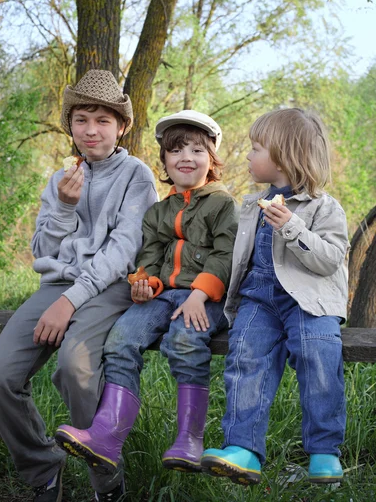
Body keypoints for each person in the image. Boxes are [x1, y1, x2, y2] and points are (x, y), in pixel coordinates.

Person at [0, 70, 158, 502]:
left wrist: (68, 302)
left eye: (102, 120)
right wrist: (63, 207)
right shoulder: (59, 177)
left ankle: (108, 483)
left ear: (122, 126)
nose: (91, 130)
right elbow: (42, 247)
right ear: (70, 125)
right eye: (81, 119)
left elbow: (123, 251)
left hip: (110, 288)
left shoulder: (137, 175)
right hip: (56, 285)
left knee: (75, 369)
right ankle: (44, 470)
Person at [54, 109, 240, 478]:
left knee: (185, 340)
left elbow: (226, 255)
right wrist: (145, 285)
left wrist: (200, 294)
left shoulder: (223, 205)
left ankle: (189, 439)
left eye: (197, 151)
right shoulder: (158, 211)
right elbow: (149, 258)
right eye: (176, 151)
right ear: (165, 163)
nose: (186, 157)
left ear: (213, 161)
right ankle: (108, 436)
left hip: (207, 298)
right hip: (164, 296)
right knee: (121, 340)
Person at [201, 107, 349, 486]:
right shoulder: (251, 205)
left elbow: (330, 260)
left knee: (319, 357)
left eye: (256, 148)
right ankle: (242, 449)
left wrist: (293, 228)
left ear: (284, 156)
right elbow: (241, 259)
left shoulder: (324, 207)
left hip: (309, 301)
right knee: (245, 360)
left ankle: (323, 452)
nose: (248, 156)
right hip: (259, 300)